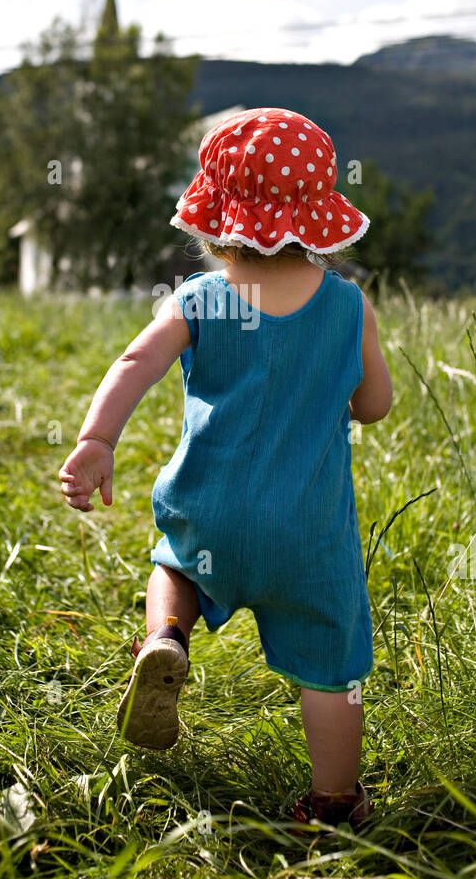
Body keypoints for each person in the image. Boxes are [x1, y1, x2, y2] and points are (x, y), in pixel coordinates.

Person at [60, 107, 392, 831]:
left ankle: (166, 638)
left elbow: (134, 362)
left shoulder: (201, 299)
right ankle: (334, 803)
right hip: (307, 538)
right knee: (332, 668)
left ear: (214, 218)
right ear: (321, 216)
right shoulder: (346, 306)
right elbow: (375, 405)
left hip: (208, 516)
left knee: (175, 565)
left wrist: (97, 441)